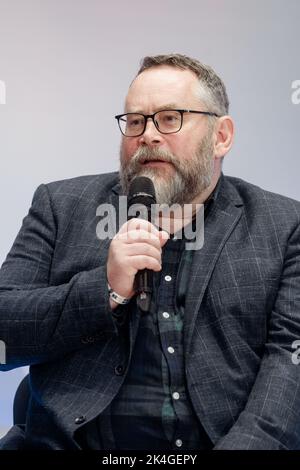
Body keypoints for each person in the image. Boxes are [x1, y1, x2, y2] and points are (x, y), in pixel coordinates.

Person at [0, 53, 300, 450]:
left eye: (170, 118)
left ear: (221, 136)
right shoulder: (61, 205)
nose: (148, 135)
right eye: (136, 121)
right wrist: (105, 289)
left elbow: (289, 364)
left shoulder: (282, 225)